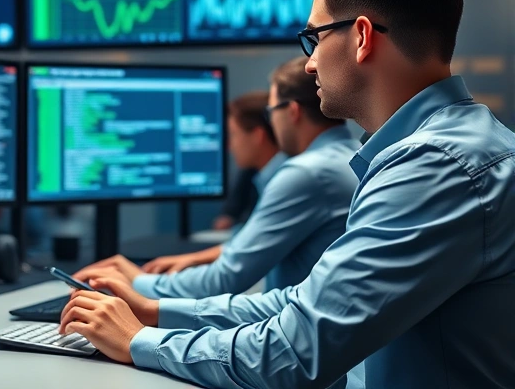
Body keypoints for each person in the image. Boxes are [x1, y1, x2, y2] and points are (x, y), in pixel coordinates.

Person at [57, 0, 515, 388]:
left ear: (361, 36)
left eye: (314, 38)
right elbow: (307, 303)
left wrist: (140, 341)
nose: (310, 63)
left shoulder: (433, 166)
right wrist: (159, 311)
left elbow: (293, 353)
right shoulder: (450, 148)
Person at [76, 58, 358, 301]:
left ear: (292, 111)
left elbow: (225, 280)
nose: (271, 123)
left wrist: (134, 281)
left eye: (272, 112)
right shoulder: (350, 155)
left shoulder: (308, 172)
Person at [82, 91, 286, 277]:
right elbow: (250, 239)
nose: (228, 145)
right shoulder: (268, 178)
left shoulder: (289, 180)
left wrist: (138, 281)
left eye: (232, 134)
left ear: (258, 135)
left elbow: (229, 275)